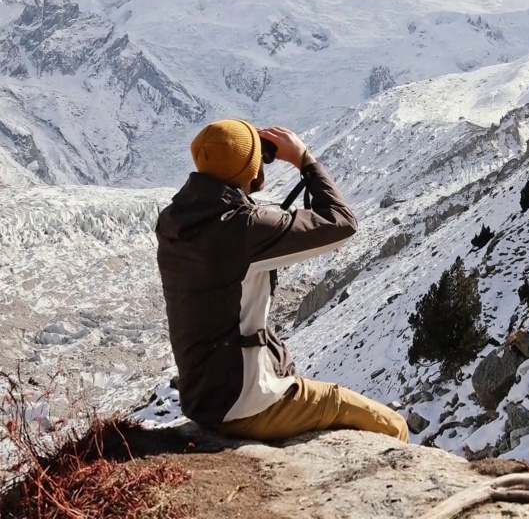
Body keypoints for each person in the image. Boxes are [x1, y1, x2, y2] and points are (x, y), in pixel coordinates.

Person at [155, 119, 408, 443]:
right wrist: (304, 160)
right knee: (392, 425)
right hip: (249, 404)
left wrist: (242, 174)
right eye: (256, 157)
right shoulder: (245, 230)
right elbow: (342, 222)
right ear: (249, 168)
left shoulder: (175, 220)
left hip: (205, 400)